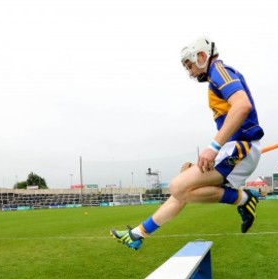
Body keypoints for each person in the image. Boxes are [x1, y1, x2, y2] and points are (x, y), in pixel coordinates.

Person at [111, 36, 264, 250]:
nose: (190, 72)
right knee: (181, 189)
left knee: (177, 186)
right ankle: (137, 234)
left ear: (202, 56)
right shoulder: (216, 77)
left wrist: (213, 148)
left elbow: (242, 106)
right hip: (234, 149)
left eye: (190, 65)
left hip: (240, 148)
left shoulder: (219, 71)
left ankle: (244, 198)